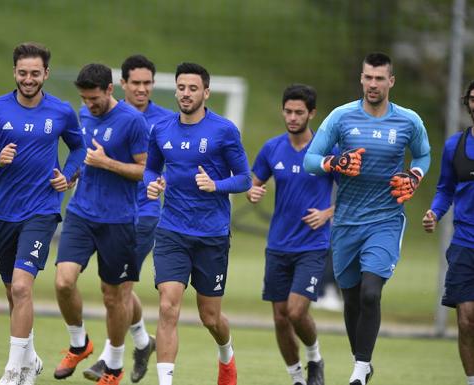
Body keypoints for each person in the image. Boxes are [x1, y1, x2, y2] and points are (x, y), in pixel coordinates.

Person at [303, 52, 431, 385]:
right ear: (361, 79)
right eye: (367, 78)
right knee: (352, 298)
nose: (373, 84)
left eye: (379, 78)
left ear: (391, 81)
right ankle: (361, 360)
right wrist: (335, 163)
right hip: (346, 221)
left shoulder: (408, 121)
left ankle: (360, 370)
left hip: (386, 219)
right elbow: (311, 159)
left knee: (371, 292)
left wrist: (414, 175)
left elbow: (423, 154)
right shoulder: (341, 117)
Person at [0, 42, 86, 385]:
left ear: (46, 73)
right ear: (14, 72)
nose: (29, 79)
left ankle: (14, 371)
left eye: (35, 73)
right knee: (12, 292)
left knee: (22, 287)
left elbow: (78, 147)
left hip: (42, 209)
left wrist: (69, 173)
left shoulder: (61, 111)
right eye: (23, 73)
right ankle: (30, 357)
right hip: (3, 212)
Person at [144, 62, 251, 385]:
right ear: (175, 90)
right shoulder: (161, 129)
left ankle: (226, 356)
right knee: (167, 306)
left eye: (193, 88)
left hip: (211, 235)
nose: (186, 94)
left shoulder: (224, 131)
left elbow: (245, 179)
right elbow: (151, 168)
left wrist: (216, 186)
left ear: (205, 92)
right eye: (181, 88)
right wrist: (152, 183)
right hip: (172, 230)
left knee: (210, 317)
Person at [53, 63, 149, 385]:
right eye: (84, 98)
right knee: (63, 282)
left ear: (110, 90)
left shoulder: (133, 121)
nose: (89, 104)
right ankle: (80, 343)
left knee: (114, 296)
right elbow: (83, 155)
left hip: (119, 219)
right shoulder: (83, 114)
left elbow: (144, 171)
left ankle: (115, 367)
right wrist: (72, 175)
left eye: (94, 98)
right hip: (81, 213)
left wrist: (106, 162)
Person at [82, 54, 174, 384]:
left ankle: (109, 359)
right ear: (121, 85)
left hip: (145, 213)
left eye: (148, 83)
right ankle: (142, 341)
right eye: (135, 83)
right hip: (107, 213)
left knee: (120, 288)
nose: (142, 88)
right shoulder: (106, 115)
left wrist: (164, 181)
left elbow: (176, 161)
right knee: (112, 289)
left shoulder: (166, 120)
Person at [247, 84, 332, 385]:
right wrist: (253, 192)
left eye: (299, 112)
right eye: (288, 111)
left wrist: (327, 213)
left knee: (296, 312)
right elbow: (254, 183)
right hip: (278, 244)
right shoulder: (272, 148)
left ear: (312, 113)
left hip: (313, 245)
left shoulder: (326, 149)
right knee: (280, 317)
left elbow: (350, 193)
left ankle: (315, 358)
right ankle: (296, 377)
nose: (293, 117)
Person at [423, 80, 474, 385]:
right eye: (473, 98)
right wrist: (434, 212)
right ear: (467, 103)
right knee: (466, 319)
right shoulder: (455, 145)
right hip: (465, 242)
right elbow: (445, 189)